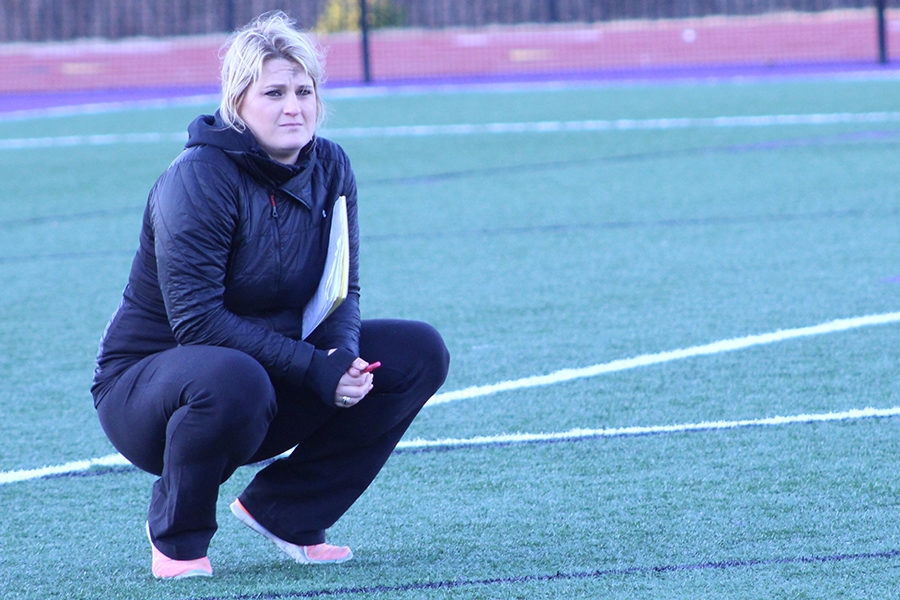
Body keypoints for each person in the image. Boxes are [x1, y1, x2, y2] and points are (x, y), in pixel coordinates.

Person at [90, 11, 450, 580]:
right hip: (153, 392)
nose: (294, 107)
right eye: (275, 92)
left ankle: (289, 512)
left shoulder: (330, 166)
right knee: (233, 376)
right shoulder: (198, 177)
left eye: (304, 91)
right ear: (239, 102)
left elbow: (341, 288)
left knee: (416, 353)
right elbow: (197, 323)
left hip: (269, 374)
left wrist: (338, 357)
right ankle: (178, 539)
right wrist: (312, 367)